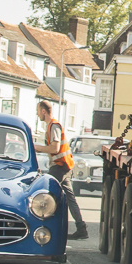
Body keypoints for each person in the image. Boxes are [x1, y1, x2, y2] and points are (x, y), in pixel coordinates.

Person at [34, 101, 88, 239]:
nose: (37, 113)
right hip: (63, 166)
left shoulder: (54, 126)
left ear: (44, 112)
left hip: (60, 166)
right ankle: (81, 229)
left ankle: (47, 229)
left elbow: (55, 148)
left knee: (46, 196)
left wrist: (38, 147)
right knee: (70, 198)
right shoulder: (51, 126)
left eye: (38, 111)